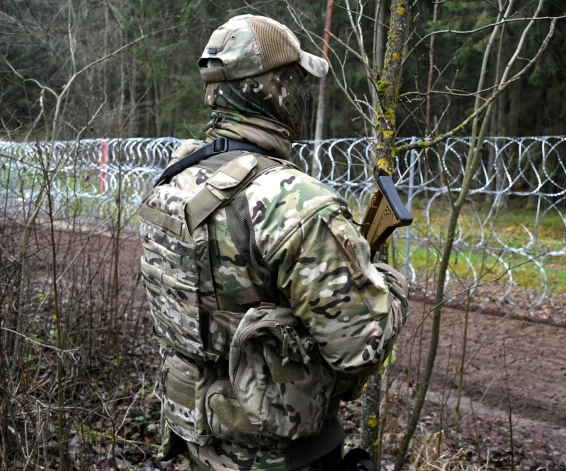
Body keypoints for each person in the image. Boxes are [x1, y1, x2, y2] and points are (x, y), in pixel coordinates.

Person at [139, 14, 409, 471]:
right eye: (296, 81)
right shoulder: (295, 201)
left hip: (199, 441)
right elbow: (361, 345)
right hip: (283, 457)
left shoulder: (177, 179)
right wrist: (386, 280)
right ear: (273, 90)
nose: (301, 96)